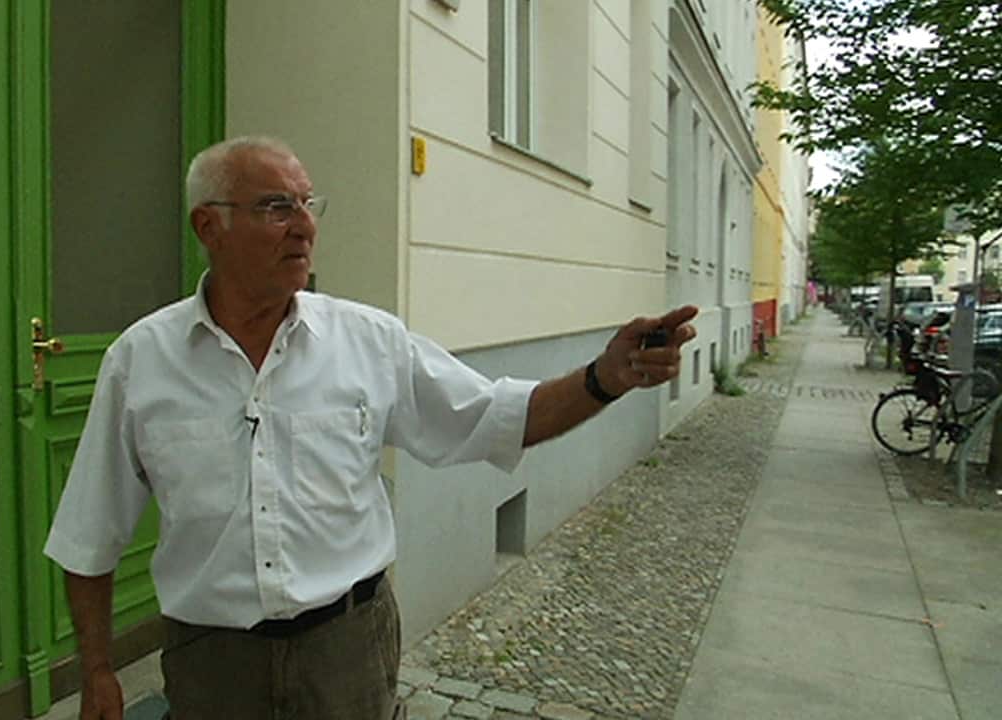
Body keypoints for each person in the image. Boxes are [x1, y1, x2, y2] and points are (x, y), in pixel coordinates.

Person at [43, 136, 698, 720]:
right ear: (208, 226)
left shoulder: (367, 341)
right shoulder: (142, 360)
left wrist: (605, 377)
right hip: (213, 662)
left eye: (308, 205)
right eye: (277, 207)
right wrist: (98, 673)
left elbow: (498, 417)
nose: (304, 227)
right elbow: (89, 531)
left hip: (347, 652)